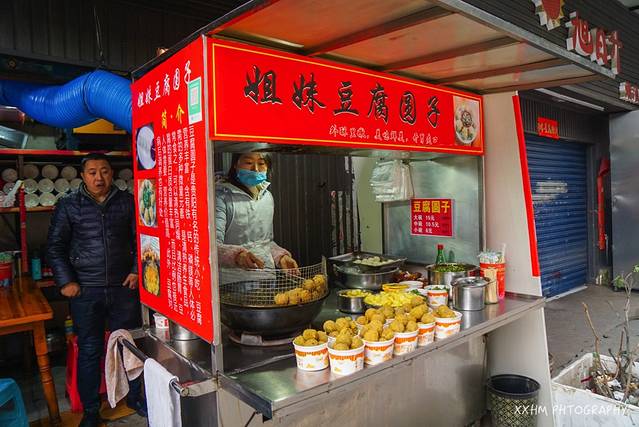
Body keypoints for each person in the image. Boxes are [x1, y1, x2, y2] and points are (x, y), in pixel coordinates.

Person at [47, 153, 145, 427]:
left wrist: (136, 269)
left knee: (129, 346)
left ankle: (135, 398)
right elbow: (55, 247)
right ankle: (91, 410)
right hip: (85, 291)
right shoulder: (68, 205)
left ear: (112, 174)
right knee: (90, 350)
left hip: (123, 287)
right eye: (92, 172)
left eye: (104, 171)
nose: (99, 177)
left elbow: (142, 237)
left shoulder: (127, 202)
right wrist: (66, 282)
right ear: (83, 176)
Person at [215, 153, 298, 283]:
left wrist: (280, 257)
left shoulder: (267, 196)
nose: (255, 169)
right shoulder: (221, 196)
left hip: (266, 278)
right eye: (248, 163)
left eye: (261, 163)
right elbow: (211, 247)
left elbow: (265, 242)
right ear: (235, 164)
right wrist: (237, 256)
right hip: (232, 281)